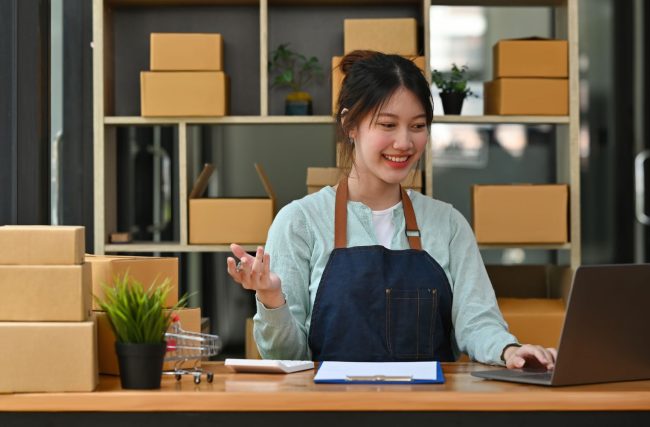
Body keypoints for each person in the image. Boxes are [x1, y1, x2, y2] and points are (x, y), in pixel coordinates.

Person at [227, 50, 557, 370]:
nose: (404, 143)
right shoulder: (300, 222)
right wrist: (271, 299)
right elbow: (288, 356)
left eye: (417, 126)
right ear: (350, 125)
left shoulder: (448, 224)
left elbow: (477, 322)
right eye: (388, 125)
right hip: (331, 412)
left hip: (427, 414)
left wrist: (509, 350)